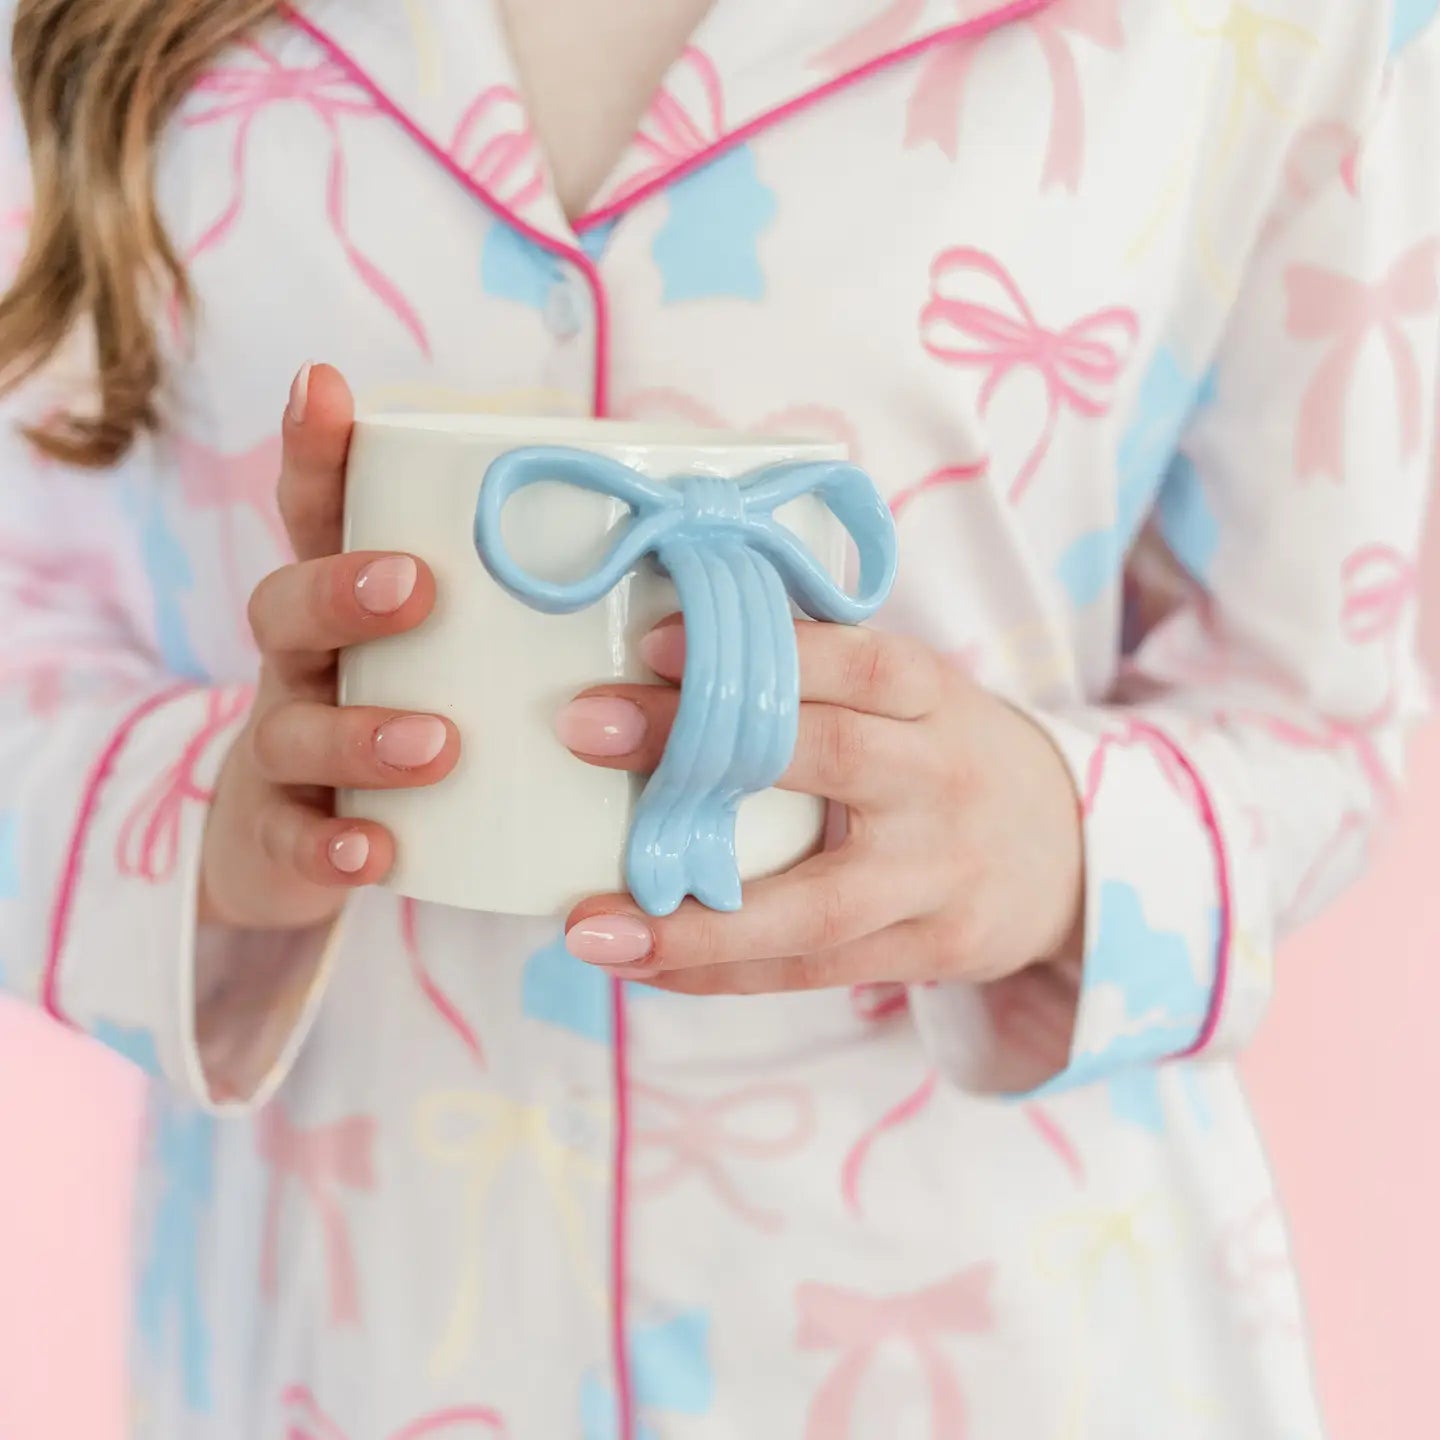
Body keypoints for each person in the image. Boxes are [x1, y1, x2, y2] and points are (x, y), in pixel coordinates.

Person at [1, 0, 1437, 1435]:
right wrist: (201, 818)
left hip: (1002, 1330)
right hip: (345, 1337)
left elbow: (1316, 713)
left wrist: (1055, 842)